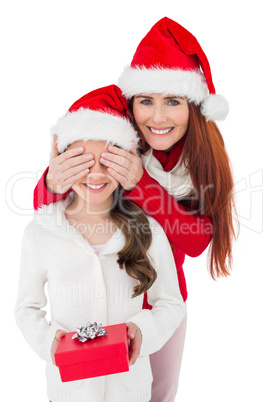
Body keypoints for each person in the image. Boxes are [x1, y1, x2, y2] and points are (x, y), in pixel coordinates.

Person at [33, 18, 237, 402]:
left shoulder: (200, 160)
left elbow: (196, 242)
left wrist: (141, 183)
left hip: (162, 308)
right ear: (131, 102)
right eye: (146, 101)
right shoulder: (115, 134)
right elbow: (49, 213)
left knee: (157, 394)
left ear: (193, 107)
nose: (157, 118)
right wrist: (52, 182)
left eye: (172, 101)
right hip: (96, 302)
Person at [15, 84, 186, 402]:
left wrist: (142, 331)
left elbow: (171, 303)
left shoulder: (149, 230)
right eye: (82, 161)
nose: (95, 173)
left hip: (130, 391)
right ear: (62, 162)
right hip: (69, 392)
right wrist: (48, 341)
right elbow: (27, 307)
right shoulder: (40, 234)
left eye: (108, 160)